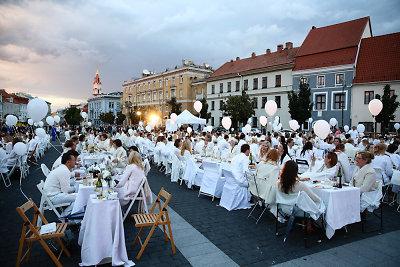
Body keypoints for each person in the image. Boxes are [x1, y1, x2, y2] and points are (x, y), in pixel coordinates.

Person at [43, 151, 77, 216]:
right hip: (53, 197)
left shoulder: (62, 168)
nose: (75, 162)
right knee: (79, 198)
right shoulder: (64, 170)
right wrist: (74, 189)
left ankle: (70, 215)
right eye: (74, 160)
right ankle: (64, 216)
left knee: (78, 195)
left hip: (52, 194)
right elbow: (65, 190)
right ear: (68, 162)